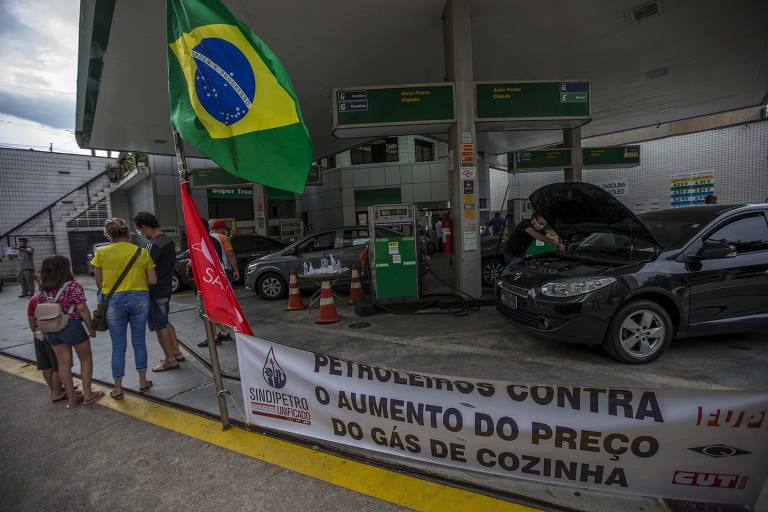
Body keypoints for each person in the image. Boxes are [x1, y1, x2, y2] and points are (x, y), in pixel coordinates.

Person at [91, 218, 157, 400]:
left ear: (108, 234)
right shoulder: (141, 252)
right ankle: (143, 382)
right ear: (127, 233)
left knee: (118, 347)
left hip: (114, 301)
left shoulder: (101, 253)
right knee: (139, 342)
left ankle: (118, 389)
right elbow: (152, 280)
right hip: (139, 298)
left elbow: (98, 283)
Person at [36, 255, 103, 408]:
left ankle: (72, 398)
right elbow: (82, 309)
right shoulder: (73, 286)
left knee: (63, 364)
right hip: (71, 325)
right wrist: (90, 328)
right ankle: (87, 394)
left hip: (51, 328)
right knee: (85, 359)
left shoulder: (42, 290)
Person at [133, 212, 184, 372]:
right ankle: (176, 352)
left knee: (160, 325)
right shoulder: (168, 240)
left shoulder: (153, 245)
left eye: (140, 230)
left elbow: (144, 269)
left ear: (144, 226)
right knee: (165, 321)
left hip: (154, 291)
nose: (141, 233)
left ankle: (170, 360)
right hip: (166, 288)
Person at [27, 286, 67, 403]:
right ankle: (57, 392)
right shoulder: (55, 298)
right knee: (57, 366)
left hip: (39, 335)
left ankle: (53, 389)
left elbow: (31, 318)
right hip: (52, 334)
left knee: (46, 365)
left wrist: (35, 331)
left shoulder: (34, 299)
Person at [196, 218, 232, 348]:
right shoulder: (216, 239)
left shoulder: (205, 241)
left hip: (209, 282)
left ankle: (213, 337)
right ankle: (223, 332)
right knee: (215, 309)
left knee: (206, 312)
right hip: (217, 278)